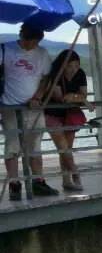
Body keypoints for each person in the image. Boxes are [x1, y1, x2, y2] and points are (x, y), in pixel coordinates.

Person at [1, 23, 56, 200]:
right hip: (10, 106)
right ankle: (14, 184)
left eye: (34, 42)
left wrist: (38, 97)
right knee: (12, 147)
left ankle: (38, 181)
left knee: (35, 146)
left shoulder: (42, 53)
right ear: (22, 35)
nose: (30, 45)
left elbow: (46, 78)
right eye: (27, 41)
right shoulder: (5, 50)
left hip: (34, 108)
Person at [38, 49, 88, 192]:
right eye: (70, 66)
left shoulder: (80, 74)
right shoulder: (55, 75)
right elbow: (62, 98)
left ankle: (66, 181)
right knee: (64, 148)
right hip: (52, 114)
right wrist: (77, 97)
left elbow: (83, 94)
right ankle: (75, 172)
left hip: (70, 115)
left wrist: (75, 97)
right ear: (63, 65)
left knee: (66, 150)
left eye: (76, 66)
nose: (73, 70)